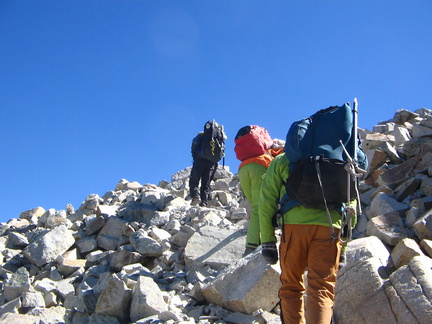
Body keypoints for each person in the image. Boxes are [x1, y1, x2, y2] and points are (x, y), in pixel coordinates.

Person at [259, 151, 352, 324]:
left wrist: (267, 241)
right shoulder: (341, 158)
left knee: (291, 286)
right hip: (331, 226)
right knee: (322, 287)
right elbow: (351, 200)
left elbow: (266, 201)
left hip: (295, 226)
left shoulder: (284, 159)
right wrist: (344, 248)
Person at [236, 131, 283, 256]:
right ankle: (252, 248)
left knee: (255, 208)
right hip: (260, 167)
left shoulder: (255, 151)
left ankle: (254, 243)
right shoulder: (274, 151)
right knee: (262, 208)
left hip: (243, 169)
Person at [189, 120, 226, 207]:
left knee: (194, 179)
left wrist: (194, 155)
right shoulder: (218, 138)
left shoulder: (202, 136)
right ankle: (204, 202)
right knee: (206, 183)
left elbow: (194, 144)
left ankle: (195, 196)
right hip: (212, 163)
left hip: (200, 160)